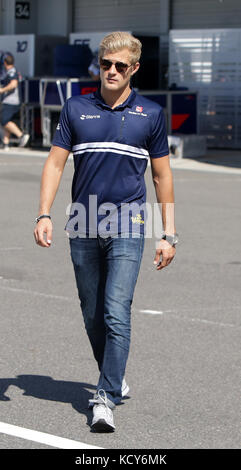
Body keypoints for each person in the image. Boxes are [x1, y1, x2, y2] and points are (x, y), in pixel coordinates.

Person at [33, 31, 178, 433]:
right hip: (82, 220)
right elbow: (55, 165)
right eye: (105, 64)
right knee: (92, 314)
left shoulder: (150, 114)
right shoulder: (76, 108)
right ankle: (114, 376)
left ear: (133, 68)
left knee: (116, 310)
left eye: (120, 66)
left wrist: (169, 233)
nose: (111, 72)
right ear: (98, 65)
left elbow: (162, 175)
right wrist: (43, 214)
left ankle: (105, 397)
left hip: (129, 221)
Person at [0, 53, 29, 150]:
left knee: (4, 121)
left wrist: (2, 90)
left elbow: (14, 84)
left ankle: (21, 135)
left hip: (11, 101)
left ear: (4, 62)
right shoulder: (10, 71)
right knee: (6, 121)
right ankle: (6, 143)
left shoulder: (11, 71)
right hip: (10, 101)